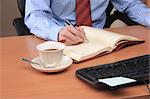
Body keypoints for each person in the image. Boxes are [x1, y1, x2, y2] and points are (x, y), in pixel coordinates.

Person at [25, 0, 150, 45]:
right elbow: (35, 14)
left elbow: (131, 4)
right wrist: (57, 32)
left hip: (99, 41)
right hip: (61, 41)